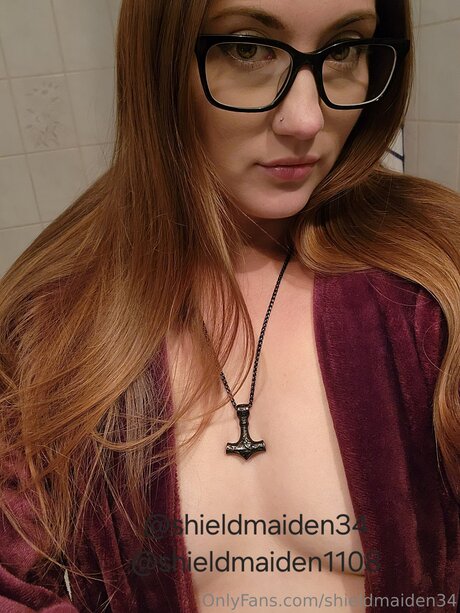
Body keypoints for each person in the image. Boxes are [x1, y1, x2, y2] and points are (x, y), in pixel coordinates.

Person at [0, 0, 459, 611]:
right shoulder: (54, 316)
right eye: (248, 48)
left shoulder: (434, 275)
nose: (306, 119)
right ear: (159, 62)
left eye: (345, 49)